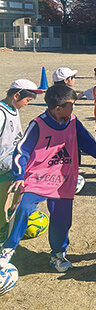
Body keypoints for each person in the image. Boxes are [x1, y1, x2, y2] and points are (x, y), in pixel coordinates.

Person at [0, 84, 96, 272]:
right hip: (37, 177)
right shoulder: (38, 124)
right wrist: (19, 175)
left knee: (62, 218)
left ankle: (58, 254)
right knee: (23, 208)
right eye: (71, 105)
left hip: (63, 179)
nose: (73, 108)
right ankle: (8, 249)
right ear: (58, 108)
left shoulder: (73, 121)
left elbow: (87, 140)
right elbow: (22, 150)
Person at [0, 80, 41, 241]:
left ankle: (13, 211)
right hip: (3, 165)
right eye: (27, 100)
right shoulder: (1, 113)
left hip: (13, 161)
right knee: (2, 197)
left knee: (22, 185)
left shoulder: (13, 109)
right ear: (16, 96)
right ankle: (2, 227)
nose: (27, 104)